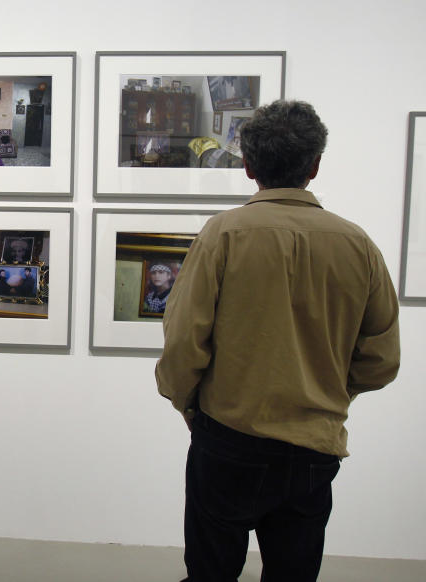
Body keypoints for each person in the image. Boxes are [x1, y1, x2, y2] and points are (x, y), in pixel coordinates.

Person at [155, 100, 400, 582]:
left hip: (227, 436)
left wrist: (188, 404)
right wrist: (330, 392)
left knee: (210, 571)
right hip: (313, 444)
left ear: (247, 166)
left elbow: (183, 341)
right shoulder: (357, 244)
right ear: (315, 165)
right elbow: (381, 359)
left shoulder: (222, 235)